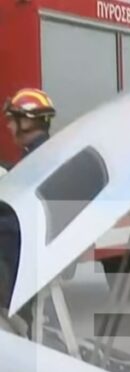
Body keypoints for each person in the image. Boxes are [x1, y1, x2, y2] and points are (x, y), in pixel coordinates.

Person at [1, 88, 56, 320]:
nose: (9, 127)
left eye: (14, 120)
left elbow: (19, 217)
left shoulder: (39, 160)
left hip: (22, 252)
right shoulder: (41, 155)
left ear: (27, 122)